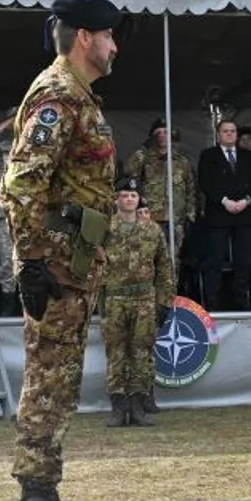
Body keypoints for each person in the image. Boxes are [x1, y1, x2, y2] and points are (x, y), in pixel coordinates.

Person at [1, 0, 126, 501]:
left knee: (61, 380)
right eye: (109, 36)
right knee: (49, 381)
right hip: (54, 264)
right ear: (85, 38)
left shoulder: (80, 96)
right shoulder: (56, 95)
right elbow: (23, 182)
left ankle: (45, 495)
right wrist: (30, 261)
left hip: (74, 262)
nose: (114, 46)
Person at [100, 177, 173, 428]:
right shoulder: (105, 229)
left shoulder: (152, 230)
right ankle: (118, 407)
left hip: (144, 298)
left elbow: (164, 267)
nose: (129, 200)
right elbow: (92, 263)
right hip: (115, 298)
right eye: (124, 195)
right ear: (116, 200)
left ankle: (138, 405)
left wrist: (164, 301)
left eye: (133, 196)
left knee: (142, 353)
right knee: (116, 353)